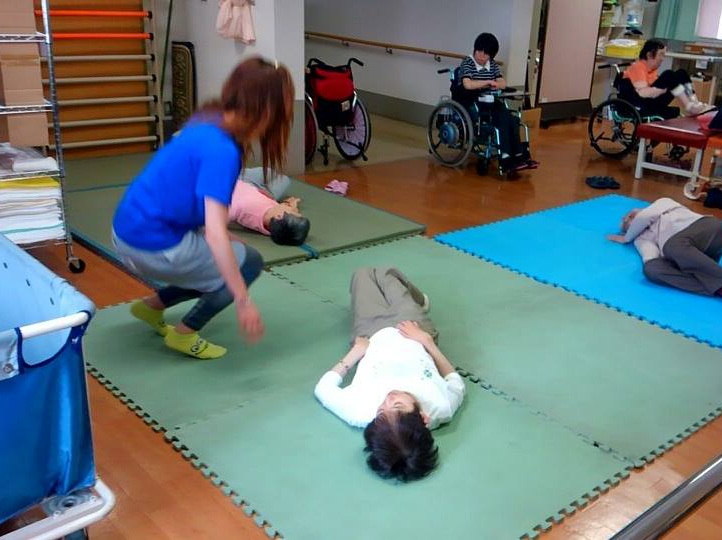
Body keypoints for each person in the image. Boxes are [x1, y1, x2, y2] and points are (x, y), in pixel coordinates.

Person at [111, 57, 294, 359]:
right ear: (266, 111)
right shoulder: (222, 150)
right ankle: (184, 334)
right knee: (248, 263)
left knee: (229, 257)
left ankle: (151, 308)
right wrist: (243, 301)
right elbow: (215, 236)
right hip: (154, 247)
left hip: (125, 234)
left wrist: (224, 240)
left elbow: (182, 193)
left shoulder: (207, 119)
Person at [314, 267, 465, 482]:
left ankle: (412, 299)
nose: (389, 399)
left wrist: (355, 352)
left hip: (371, 332)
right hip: (414, 329)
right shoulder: (441, 407)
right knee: (386, 274)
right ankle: (419, 301)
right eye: (397, 405)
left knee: (363, 274)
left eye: (381, 411)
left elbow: (323, 390)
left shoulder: (358, 413)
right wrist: (427, 342)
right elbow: (456, 383)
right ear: (424, 417)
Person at [606, 198, 722, 309]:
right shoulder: (641, 238)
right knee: (651, 270)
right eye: (627, 222)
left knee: (671, 246)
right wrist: (635, 239)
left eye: (630, 215)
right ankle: (719, 289)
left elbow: (644, 217)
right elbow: (650, 257)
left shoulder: (662, 204)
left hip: (707, 232)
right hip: (693, 261)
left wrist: (626, 238)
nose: (629, 218)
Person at [457, 32, 537, 174]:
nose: (481, 55)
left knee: (512, 119)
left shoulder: (492, 65)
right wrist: (488, 82)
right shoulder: (468, 63)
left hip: (492, 101)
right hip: (474, 103)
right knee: (502, 120)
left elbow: (502, 83)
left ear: (491, 55)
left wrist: (496, 84)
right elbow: (467, 84)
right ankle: (505, 156)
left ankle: (519, 155)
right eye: (479, 51)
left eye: (485, 53)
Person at [621, 39, 712, 119]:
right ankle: (690, 107)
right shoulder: (638, 67)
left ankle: (694, 102)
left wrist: (664, 88)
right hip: (640, 104)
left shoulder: (652, 70)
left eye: (663, 55)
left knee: (681, 73)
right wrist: (661, 90)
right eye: (660, 54)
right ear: (649, 55)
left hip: (652, 100)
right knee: (669, 75)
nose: (662, 58)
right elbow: (642, 93)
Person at [229, 167, 310, 246]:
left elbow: (222, 214)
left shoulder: (241, 207)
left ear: (279, 216)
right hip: (258, 191)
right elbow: (286, 223)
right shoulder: (274, 223)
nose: (294, 209)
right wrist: (289, 205)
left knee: (269, 173)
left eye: (293, 211)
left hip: (234, 181)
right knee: (284, 180)